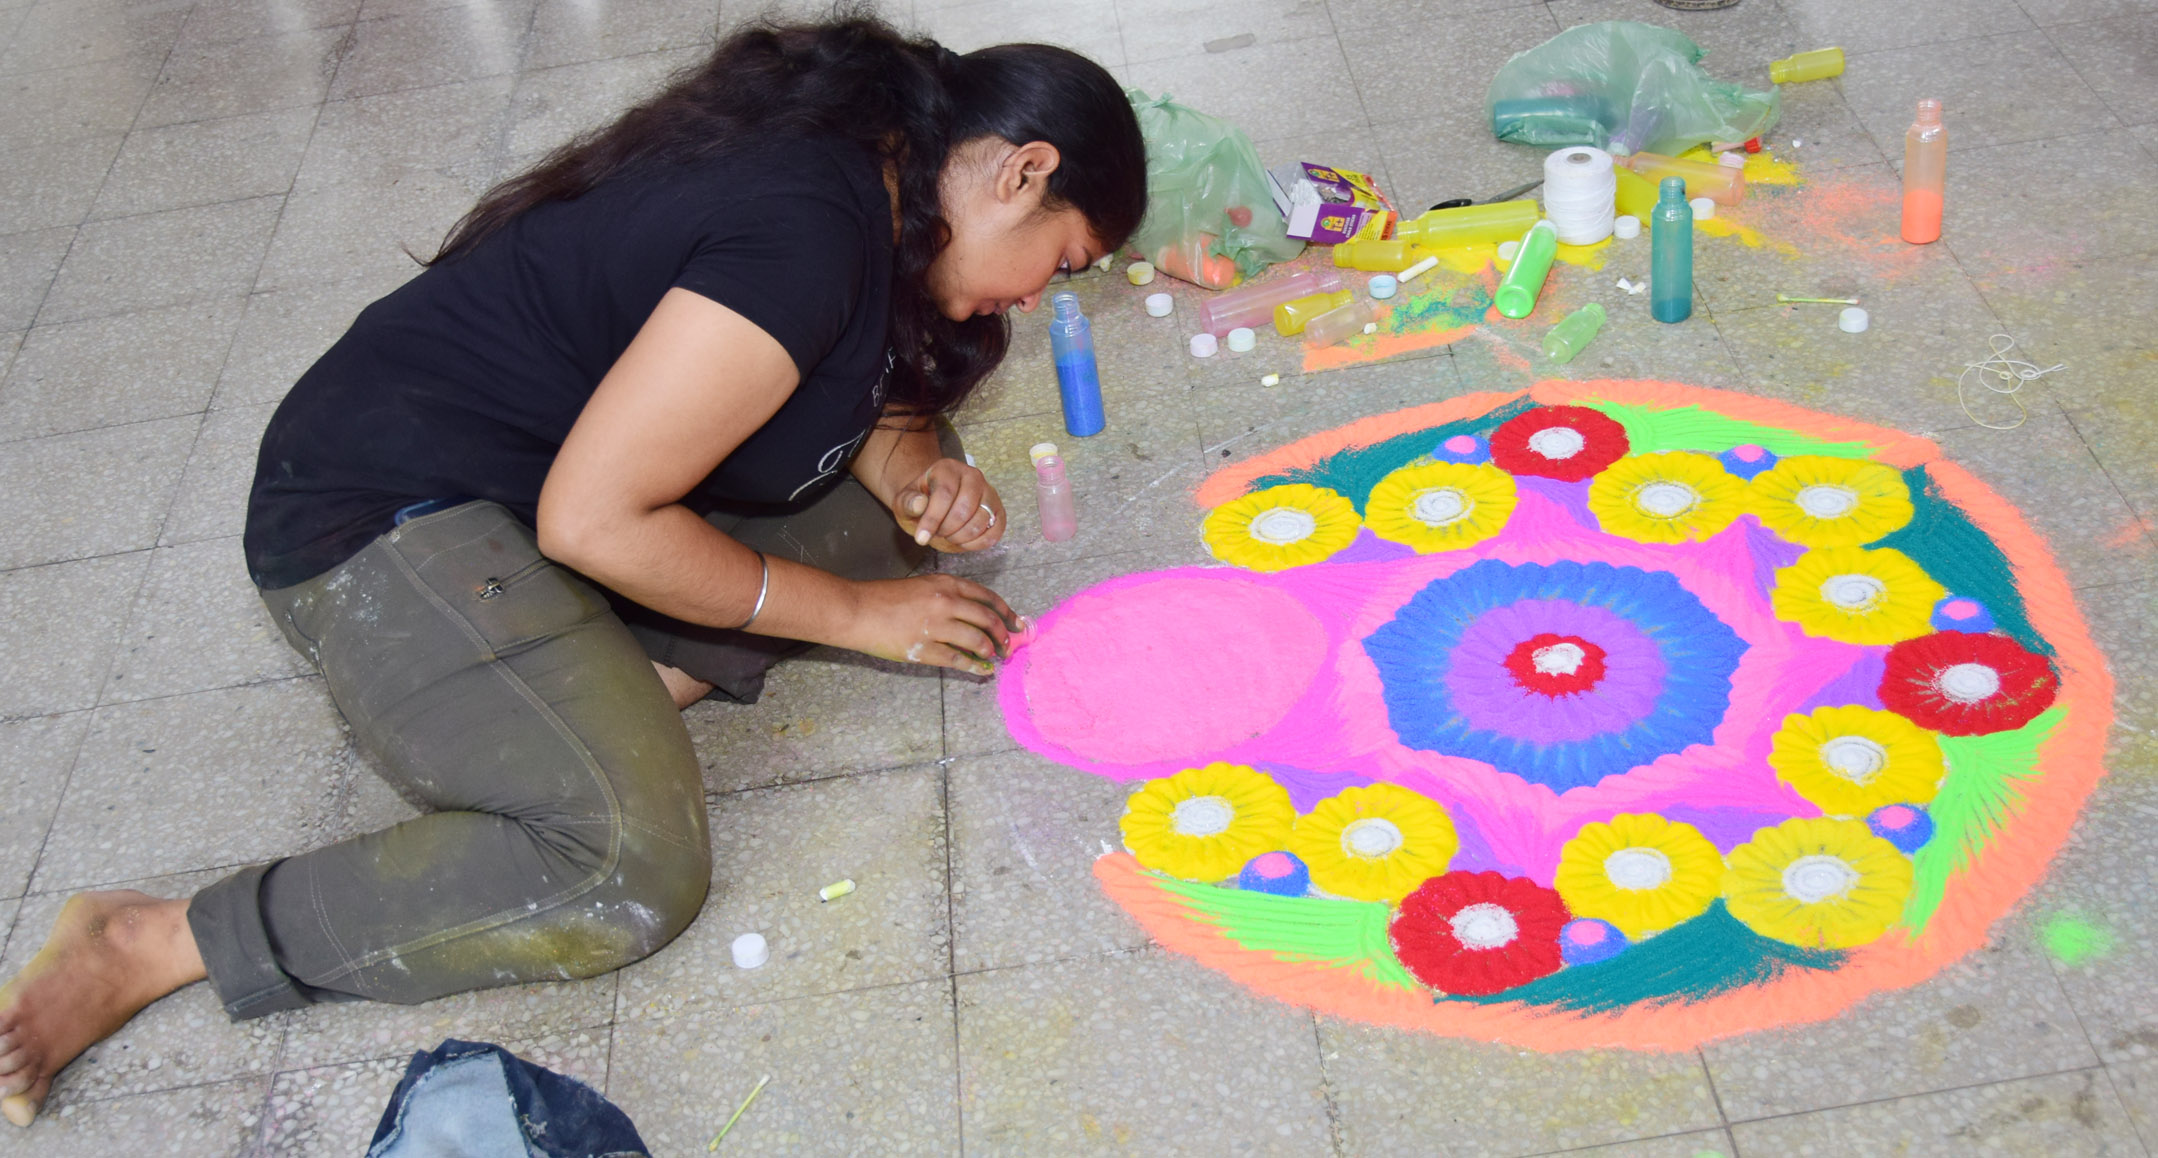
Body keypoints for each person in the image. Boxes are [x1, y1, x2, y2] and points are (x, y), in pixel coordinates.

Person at [0, 11, 1147, 1126]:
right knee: (624, 866)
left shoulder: (886, 177)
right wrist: (854, 616)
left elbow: (863, 392)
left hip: (545, 497)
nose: (1036, 296)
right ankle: (154, 940)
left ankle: (586, 698)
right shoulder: (804, 229)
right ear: (1022, 172)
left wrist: (913, 474)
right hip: (384, 512)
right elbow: (595, 522)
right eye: (1060, 261)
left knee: (898, 521)